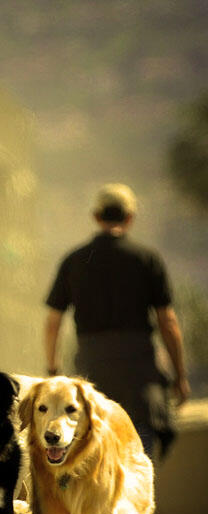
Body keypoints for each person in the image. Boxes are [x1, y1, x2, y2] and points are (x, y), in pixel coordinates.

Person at [43, 183, 190, 460]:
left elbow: (53, 322)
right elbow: (167, 321)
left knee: (95, 459)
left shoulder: (74, 260)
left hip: (92, 375)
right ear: (130, 217)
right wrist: (180, 375)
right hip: (139, 379)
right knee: (137, 462)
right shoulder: (147, 259)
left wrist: (53, 369)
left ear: (97, 216)